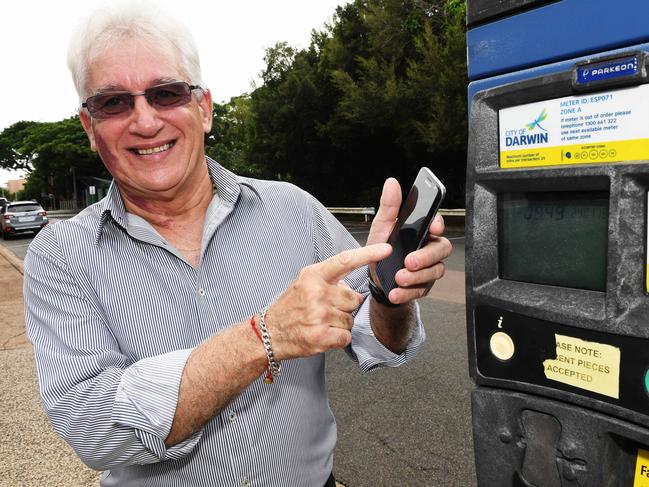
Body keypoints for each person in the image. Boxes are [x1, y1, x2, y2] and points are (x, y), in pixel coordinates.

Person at [24, 4, 452, 486]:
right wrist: (262, 337)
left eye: (166, 93)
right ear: (89, 126)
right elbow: (92, 428)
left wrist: (385, 291)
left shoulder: (294, 209)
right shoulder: (60, 255)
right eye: (113, 102)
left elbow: (382, 341)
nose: (144, 122)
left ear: (203, 108)